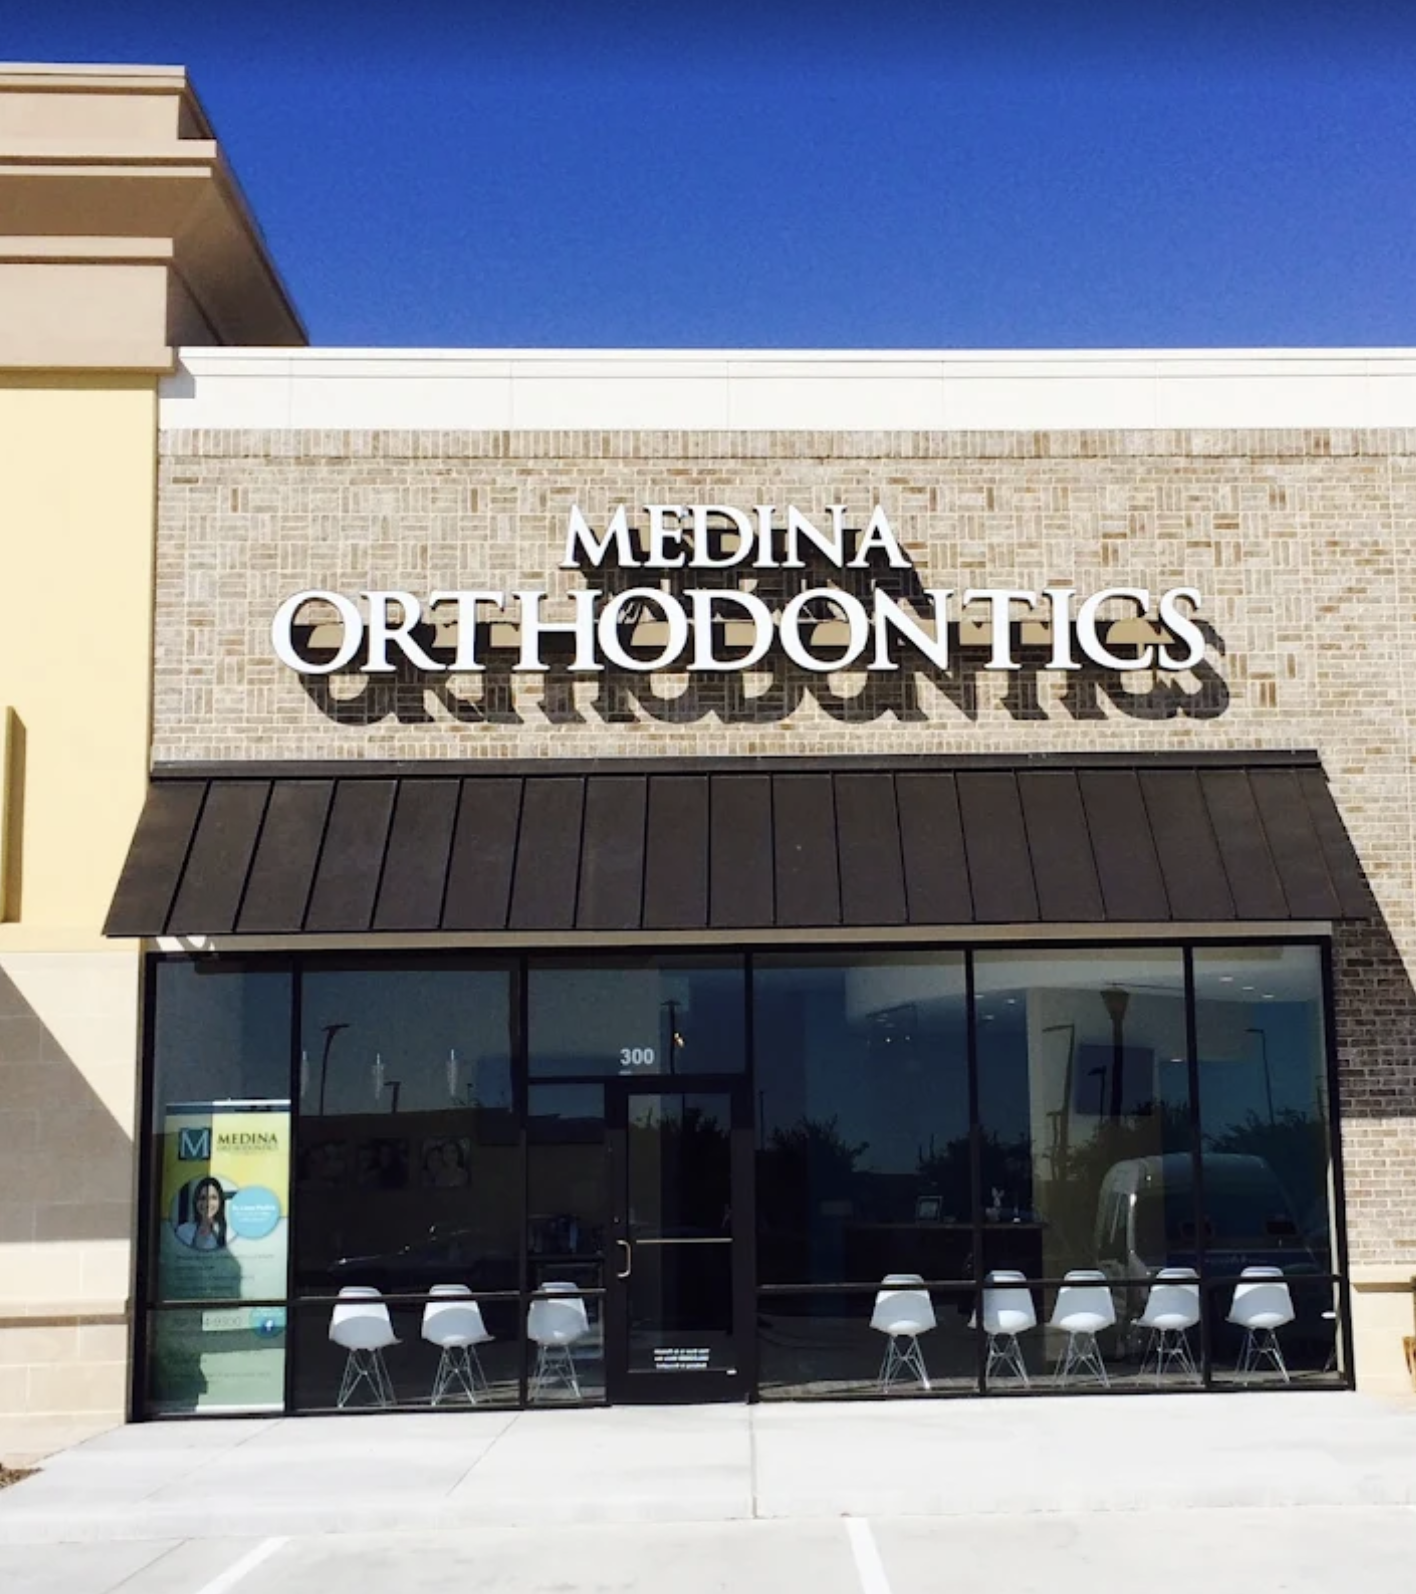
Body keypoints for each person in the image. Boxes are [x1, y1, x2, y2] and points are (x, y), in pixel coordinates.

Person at [175, 1176, 228, 1251]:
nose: (207, 1203)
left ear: (220, 1202)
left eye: (213, 1198)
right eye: (203, 1198)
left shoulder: (228, 1234)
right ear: (196, 1202)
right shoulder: (183, 1231)